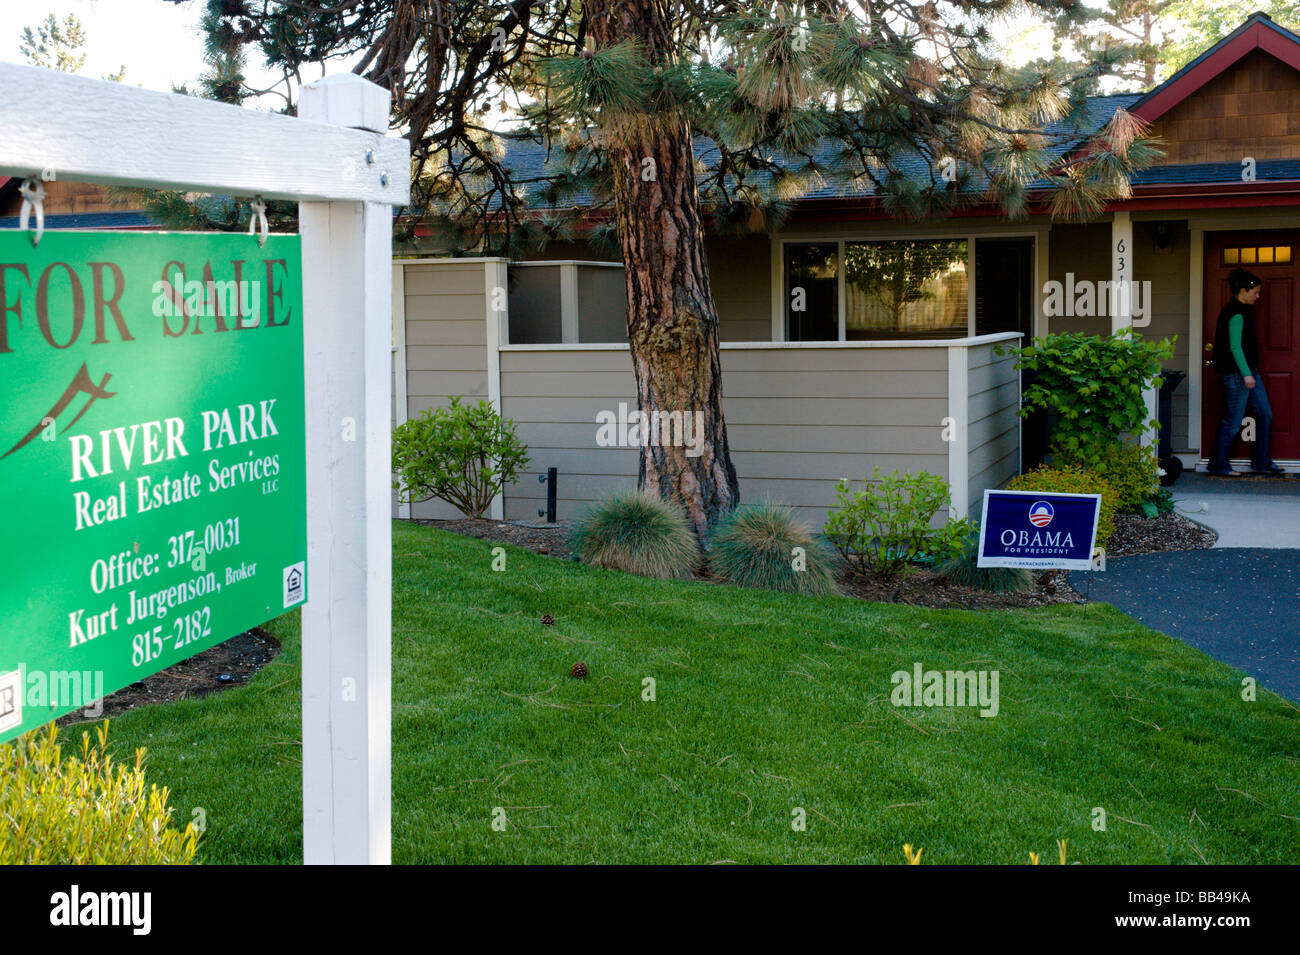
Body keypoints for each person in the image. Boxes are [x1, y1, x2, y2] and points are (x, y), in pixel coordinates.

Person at [1209, 268, 1285, 476]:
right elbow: (1235, 347)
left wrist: (1250, 372)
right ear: (1243, 290)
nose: (1258, 296)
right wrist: (1246, 374)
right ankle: (1219, 465)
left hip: (1249, 372)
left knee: (1265, 413)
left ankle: (1261, 461)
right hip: (1238, 375)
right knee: (1233, 421)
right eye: (1256, 292)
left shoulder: (1243, 311)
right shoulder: (1234, 312)